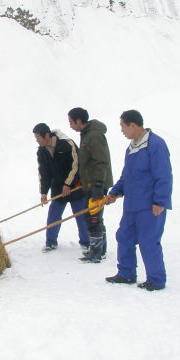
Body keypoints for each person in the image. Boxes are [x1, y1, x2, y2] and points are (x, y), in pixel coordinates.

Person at [105, 110, 172, 291]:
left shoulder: (155, 144)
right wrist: (115, 192)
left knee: (148, 240)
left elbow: (164, 175)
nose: (121, 130)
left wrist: (160, 201)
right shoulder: (132, 148)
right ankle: (126, 274)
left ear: (133, 125)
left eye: (122, 126)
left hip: (150, 206)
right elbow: (127, 176)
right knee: (124, 237)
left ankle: (156, 280)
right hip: (132, 205)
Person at [32, 123, 89, 252]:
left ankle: (86, 242)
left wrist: (68, 184)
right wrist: (44, 192)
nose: (37, 140)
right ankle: (51, 242)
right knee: (54, 215)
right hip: (58, 187)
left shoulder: (66, 144)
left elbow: (76, 165)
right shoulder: (42, 151)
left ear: (46, 135)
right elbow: (43, 172)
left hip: (75, 185)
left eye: (38, 138)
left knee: (80, 215)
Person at [68, 107, 113, 263]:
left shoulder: (94, 136)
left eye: (71, 122)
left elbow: (101, 162)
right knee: (94, 216)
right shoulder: (86, 134)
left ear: (79, 121)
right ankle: (100, 248)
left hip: (97, 183)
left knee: (93, 217)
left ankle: (96, 251)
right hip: (90, 183)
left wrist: (99, 185)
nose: (70, 125)